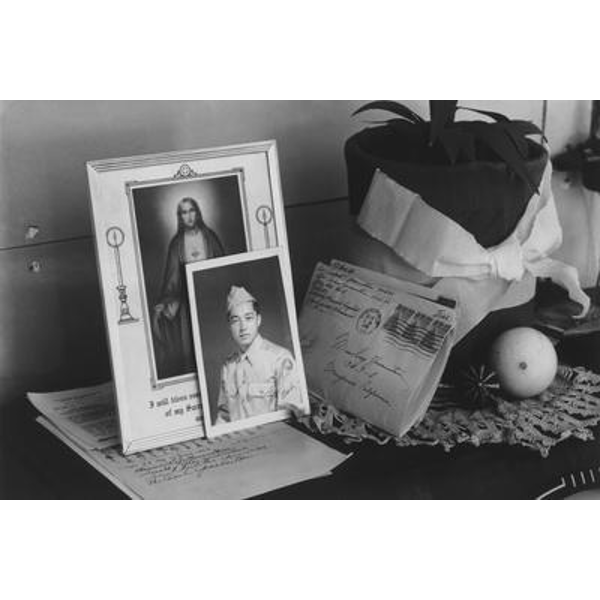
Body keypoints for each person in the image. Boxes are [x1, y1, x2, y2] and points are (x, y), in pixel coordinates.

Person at [152, 197, 224, 379]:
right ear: (180, 216)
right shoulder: (177, 244)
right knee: (193, 345)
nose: (189, 216)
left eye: (192, 210)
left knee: (216, 340)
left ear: (197, 212)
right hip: (188, 301)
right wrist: (165, 302)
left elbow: (223, 268)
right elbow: (172, 279)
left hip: (213, 297)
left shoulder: (210, 237)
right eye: (184, 212)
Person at [215, 286, 302, 424]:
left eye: (248, 318)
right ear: (229, 326)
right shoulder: (228, 366)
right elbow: (224, 417)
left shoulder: (281, 358)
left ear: (258, 320)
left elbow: (291, 416)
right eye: (235, 320)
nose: (243, 327)